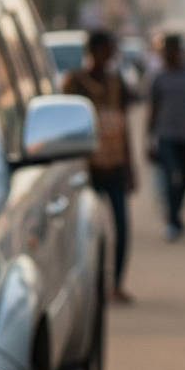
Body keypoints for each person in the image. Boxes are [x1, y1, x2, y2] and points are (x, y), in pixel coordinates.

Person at [63, 30, 136, 303]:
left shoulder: (117, 84)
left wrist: (130, 167)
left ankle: (115, 283)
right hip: (86, 168)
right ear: (93, 51)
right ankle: (86, 284)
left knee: (121, 227)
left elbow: (124, 125)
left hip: (114, 165)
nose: (109, 56)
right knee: (85, 231)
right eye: (105, 50)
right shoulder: (74, 82)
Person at [148, 34, 185, 240]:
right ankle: (171, 220)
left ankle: (176, 213)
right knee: (173, 177)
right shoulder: (159, 78)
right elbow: (152, 109)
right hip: (165, 135)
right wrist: (149, 138)